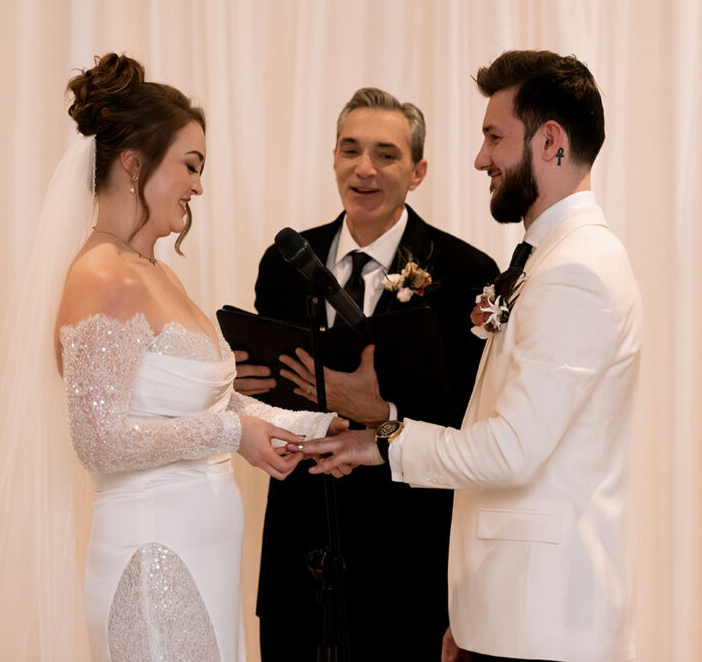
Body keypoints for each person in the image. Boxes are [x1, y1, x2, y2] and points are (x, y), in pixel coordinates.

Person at [297, 51, 643, 662]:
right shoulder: (550, 258)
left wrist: (382, 441)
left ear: (551, 142)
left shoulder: (577, 271)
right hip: (511, 612)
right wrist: (475, 611)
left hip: (543, 622)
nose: (481, 157)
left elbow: (510, 450)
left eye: (494, 137)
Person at [55, 53, 346, 662]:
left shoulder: (156, 272)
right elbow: (98, 439)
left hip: (201, 552)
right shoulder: (105, 276)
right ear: (134, 163)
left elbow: (217, 398)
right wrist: (232, 432)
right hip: (152, 555)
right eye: (190, 165)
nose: (198, 185)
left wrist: (318, 430)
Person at [235, 87, 499, 662]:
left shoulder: (466, 273)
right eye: (350, 149)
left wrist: (383, 416)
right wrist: (245, 394)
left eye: (386, 154)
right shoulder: (284, 261)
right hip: (297, 555)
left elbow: (473, 425)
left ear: (418, 170)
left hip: (408, 561)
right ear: (333, 157)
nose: (364, 168)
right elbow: (268, 390)